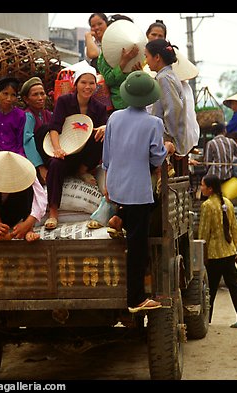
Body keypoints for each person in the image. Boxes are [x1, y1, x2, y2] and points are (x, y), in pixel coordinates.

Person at [102, 70, 171, 312]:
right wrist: (167, 148)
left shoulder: (114, 118)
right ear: (150, 98)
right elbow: (155, 155)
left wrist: (109, 182)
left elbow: (107, 157)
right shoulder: (154, 123)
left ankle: (118, 216)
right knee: (137, 247)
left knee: (134, 219)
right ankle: (136, 299)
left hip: (115, 184)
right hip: (137, 190)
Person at [36, 64, 108, 230]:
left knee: (101, 136)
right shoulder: (64, 101)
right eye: (84, 82)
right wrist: (57, 149)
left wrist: (105, 128)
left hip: (86, 155)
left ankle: (81, 171)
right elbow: (54, 128)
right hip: (65, 152)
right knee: (55, 164)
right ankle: (53, 211)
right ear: (76, 84)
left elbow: (103, 130)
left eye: (92, 83)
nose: (88, 87)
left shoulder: (99, 108)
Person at [198, 174, 237, 328]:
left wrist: (202, 253)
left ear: (210, 188)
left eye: (202, 185)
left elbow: (203, 232)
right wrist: (234, 248)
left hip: (214, 254)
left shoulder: (207, 205)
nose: (200, 188)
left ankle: (206, 320)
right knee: (234, 286)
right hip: (228, 252)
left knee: (210, 289)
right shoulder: (227, 202)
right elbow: (235, 229)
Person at [145, 39, 192, 160]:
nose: (146, 61)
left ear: (157, 57)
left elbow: (172, 109)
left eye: (147, 56)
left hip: (169, 143)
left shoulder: (164, 78)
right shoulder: (169, 75)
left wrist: (168, 138)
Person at [97, 15, 143, 112]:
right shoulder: (105, 54)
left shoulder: (140, 49)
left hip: (137, 102)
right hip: (116, 105)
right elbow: (109, 80)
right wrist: (124, 62)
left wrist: (139, 73)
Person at [20, 77, 52, 184]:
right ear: (26, 99)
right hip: (36, 157)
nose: (40, 98)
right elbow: (27, 140)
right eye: (35, 95)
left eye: (42, 94)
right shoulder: (28, 115)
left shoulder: (48, 114)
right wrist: (40, 166)